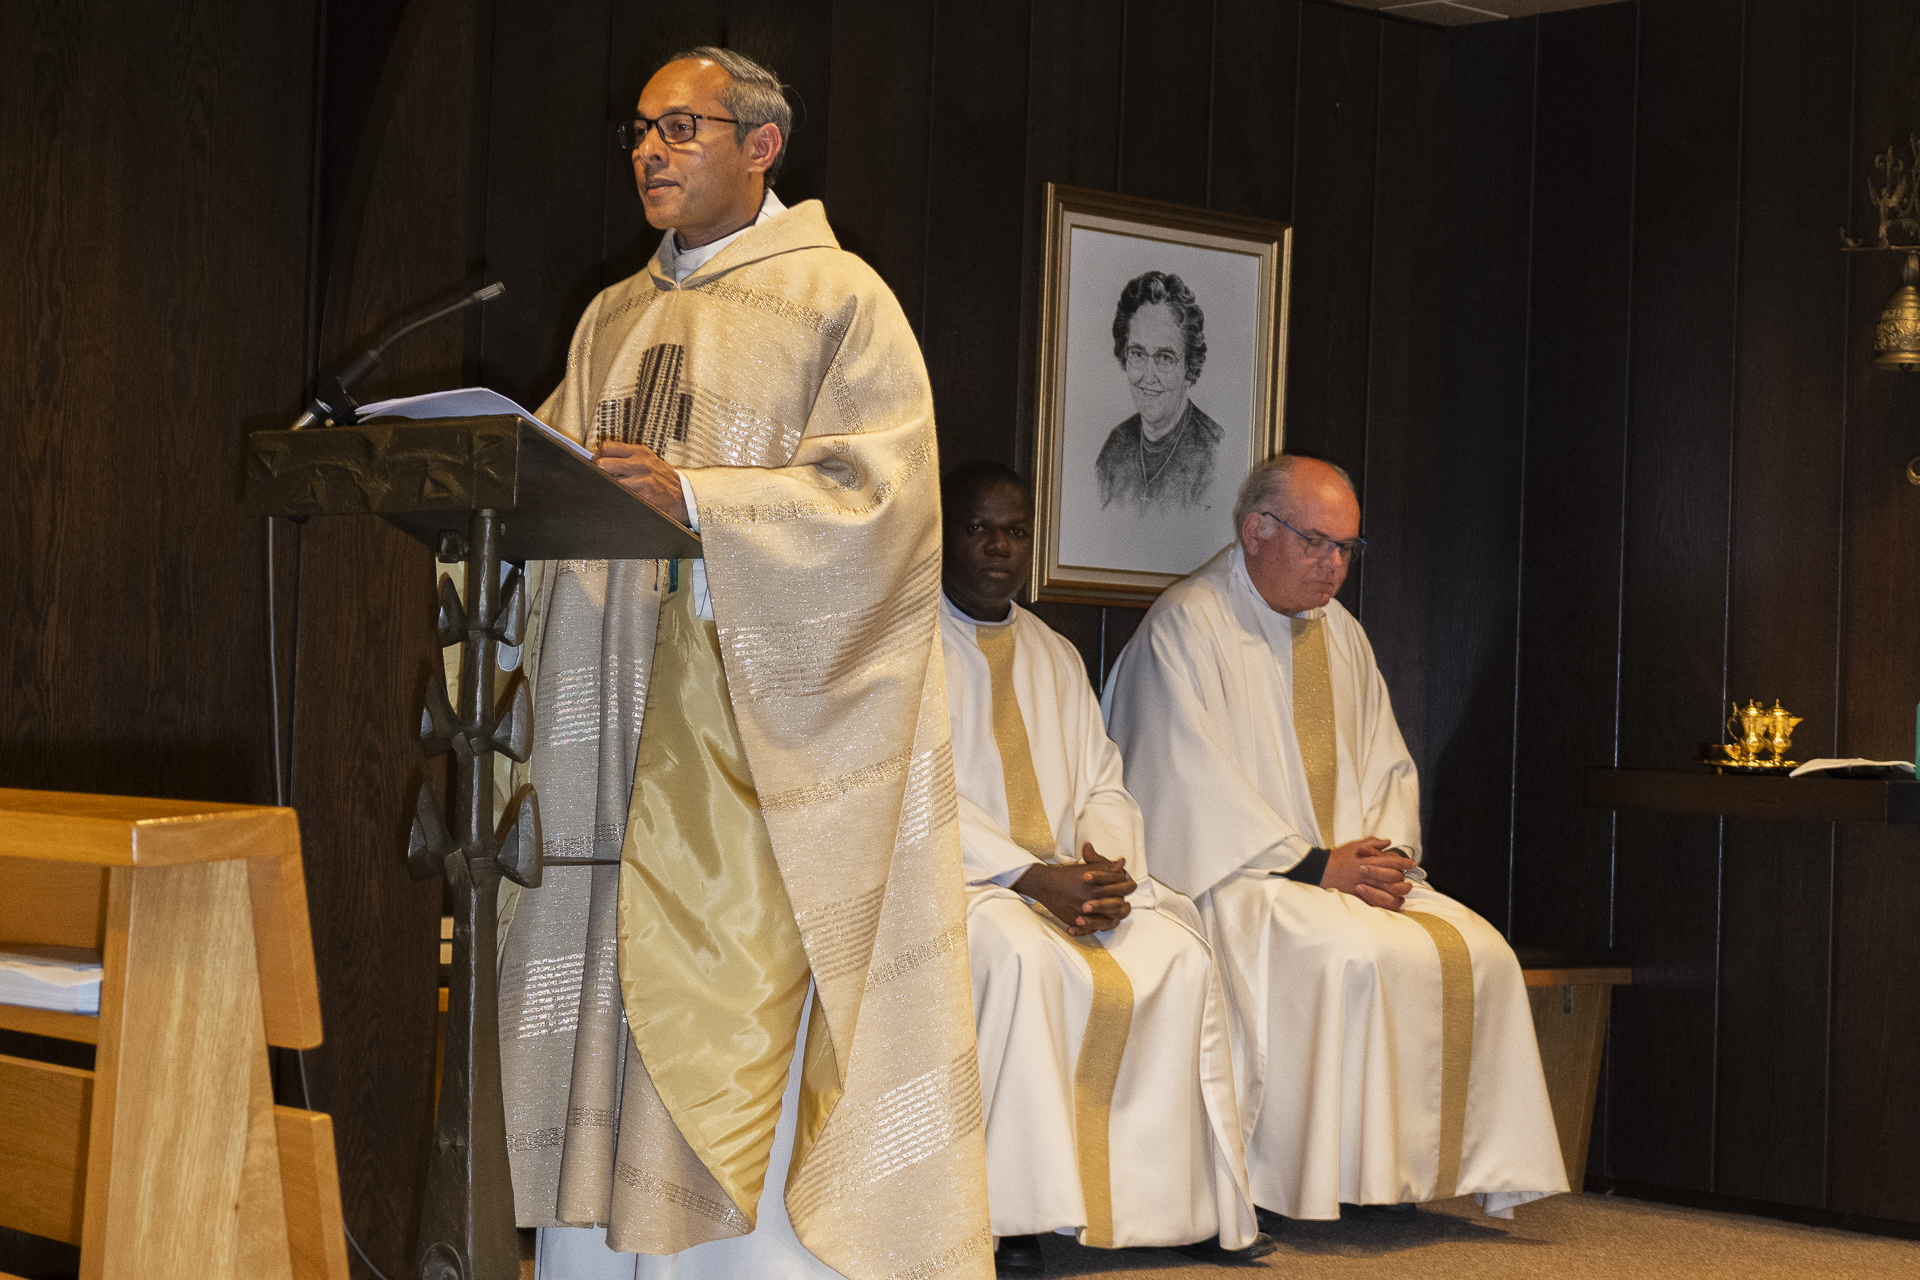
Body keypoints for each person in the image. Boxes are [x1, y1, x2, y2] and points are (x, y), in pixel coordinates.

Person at [494, 46, 989, 1280]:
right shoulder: (612, 314)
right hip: (605, 728)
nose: (649, 151)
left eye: (680, 127)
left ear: (761, 146)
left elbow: (884, 509)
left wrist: (700, 500)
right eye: (640, 131)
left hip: (749, 746)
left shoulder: (841, 301)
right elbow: (545, 481)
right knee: (604, 985)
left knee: (727, 998)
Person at [1101, 455, 1568, 1227]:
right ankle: (1299, 1181)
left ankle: (1392, 1178)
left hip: (1345, 871)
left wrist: (1383, 860)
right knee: (1347, 955)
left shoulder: (1341, 634)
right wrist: (1316, 864)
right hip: (1237, 879)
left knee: (1482, 953)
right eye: (1318, 543)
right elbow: (1179, 782)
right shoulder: (1187, 625)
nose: (1334, 566)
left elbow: (1387, 763)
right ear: (1256, 531)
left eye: (1348, 549)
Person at [937, 462, 1271, 1275]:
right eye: (979, 528)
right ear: (943, 532)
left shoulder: (1054, 654)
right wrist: (1026, 877)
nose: (998, 548)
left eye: (1016, 532)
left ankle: (1173, 1206)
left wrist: (1103, 872)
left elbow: (1102, 779)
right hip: (963, 885)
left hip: (1064, 884)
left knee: (1179, 957)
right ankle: (1010, 1215)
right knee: (1015, 959)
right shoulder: (901, 645)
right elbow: (910, 789)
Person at [1094, 272, 1223, 513]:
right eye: (1138, 354)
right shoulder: (1115, 447)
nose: (1148, 376)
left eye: (1165, 357)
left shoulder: (1214, 455)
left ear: (1189, 366)